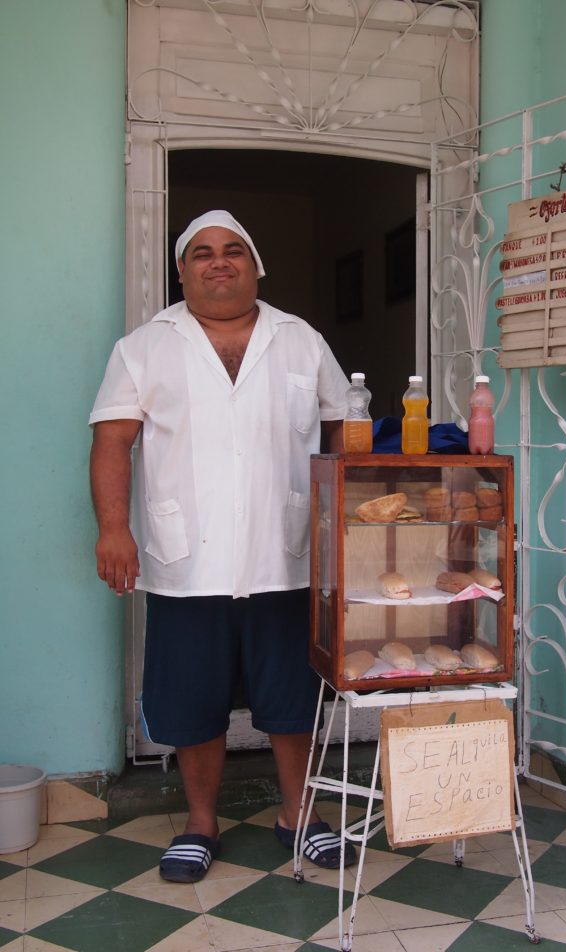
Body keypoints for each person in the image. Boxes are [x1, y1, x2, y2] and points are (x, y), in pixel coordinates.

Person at [89, 210, 355, 882]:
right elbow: (112, 442)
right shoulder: (144, 347)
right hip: (188, 563)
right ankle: (200, 823)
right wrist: (114, 529)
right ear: (182, 270)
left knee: (294, 696)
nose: (219, 262)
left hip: (286, 556)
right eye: (202, 252)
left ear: (255, 265)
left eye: (234, 250)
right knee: (191, 699)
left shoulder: (301, 340)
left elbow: (345, 436)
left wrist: (351, 528)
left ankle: (300, 813)